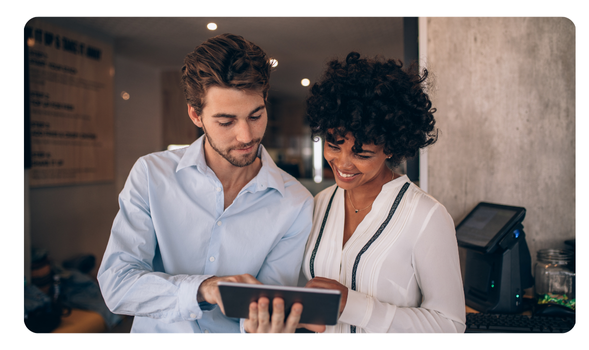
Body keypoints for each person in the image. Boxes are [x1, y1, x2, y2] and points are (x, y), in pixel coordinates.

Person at [97, 33, 314, 333]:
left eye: (256, 115)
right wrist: (205, 288)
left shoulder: (296, 202)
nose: (246, 136)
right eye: (226, 121)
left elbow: (266, 311)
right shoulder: (151, 175)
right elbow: (116, 284)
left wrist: (268, 322)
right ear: (196, 115)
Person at [301, 52, 466, 333]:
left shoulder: (427, 216)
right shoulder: (320, 203)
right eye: (333, 144)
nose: (342, 163)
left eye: (361, 153)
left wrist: (351, 305)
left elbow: (450, 325)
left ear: (391, 147)